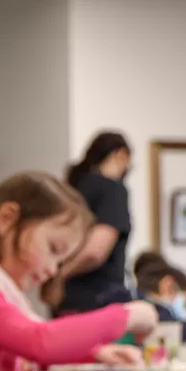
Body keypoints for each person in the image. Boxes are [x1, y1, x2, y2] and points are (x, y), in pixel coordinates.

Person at [0, 171, 159, 371]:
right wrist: (126, 315)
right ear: (7, 219)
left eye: (61, 261)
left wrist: (94, 354)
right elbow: (39, 342)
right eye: (53, 249)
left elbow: (30, 352)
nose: (52, 270)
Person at [52, 131, 135, 314]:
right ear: (121, 155)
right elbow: (95, 252)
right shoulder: (113, 190)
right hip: (97, 302)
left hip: (65, 301)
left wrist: (55, 277)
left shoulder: (72, 189)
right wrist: (60, 275)